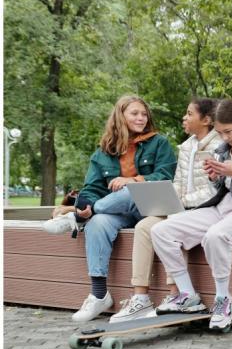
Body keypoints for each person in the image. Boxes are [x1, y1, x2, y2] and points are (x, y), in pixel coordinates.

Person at [150, 99, 232, 331]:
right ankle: (188, 295)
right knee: (161, 231)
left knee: (215, 236)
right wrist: (215, 178)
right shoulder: (223, 150)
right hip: (221, 207)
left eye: (228, 131)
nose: (224, 138)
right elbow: (221, 189)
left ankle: (223, 300)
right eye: (220, 132)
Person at [42, 95, 177, 322]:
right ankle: (99, 295)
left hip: (151, 208)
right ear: (120, 116)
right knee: (97, 222)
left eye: (144, 114)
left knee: (127, 190)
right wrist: (87, 204)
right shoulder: (105, 150)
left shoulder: (159, 143)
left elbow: (166, 176)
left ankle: (76, 217)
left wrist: (134, 180)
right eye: (135, 113)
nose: (141, 118)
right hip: (119, 211)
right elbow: (92, 187)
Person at [108, 98, 222, 323]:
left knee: (172, 223)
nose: (184, 118)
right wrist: (174, 200)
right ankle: (140, 298)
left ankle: (176, 295)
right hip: (181, 207)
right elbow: (178, 182)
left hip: (206, 209)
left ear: (207, 120)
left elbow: (214, 191)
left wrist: (182, 204)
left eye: (189, 114)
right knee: (143, 226)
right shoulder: (187, 146)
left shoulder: (220, 146)